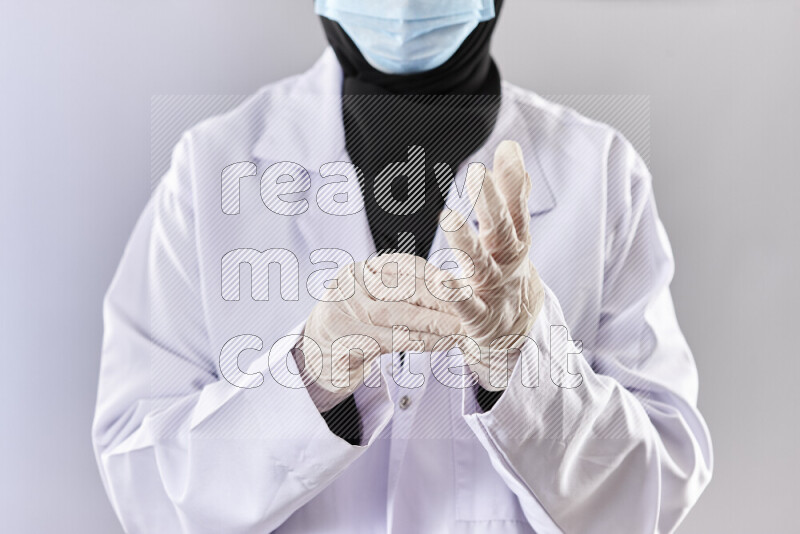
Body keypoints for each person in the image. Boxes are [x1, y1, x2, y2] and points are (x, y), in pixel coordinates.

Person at [92, 1, 713, 532]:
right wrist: (311, 376)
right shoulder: (212, 168)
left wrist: (522, 369)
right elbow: (139, 479)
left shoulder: (600, 172)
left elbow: (655, 490)